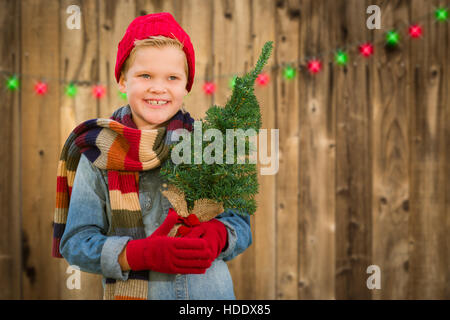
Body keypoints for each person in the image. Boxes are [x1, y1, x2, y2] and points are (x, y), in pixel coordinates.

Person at [54, 12, 252, 300]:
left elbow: (240, 224)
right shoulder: (100, 152)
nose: (158, 87)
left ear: (186, 85)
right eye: (145, 75)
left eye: (172, 77)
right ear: (123, 80)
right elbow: (75, 243)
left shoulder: (210, 146)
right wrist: (138, 254)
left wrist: (219, 236)